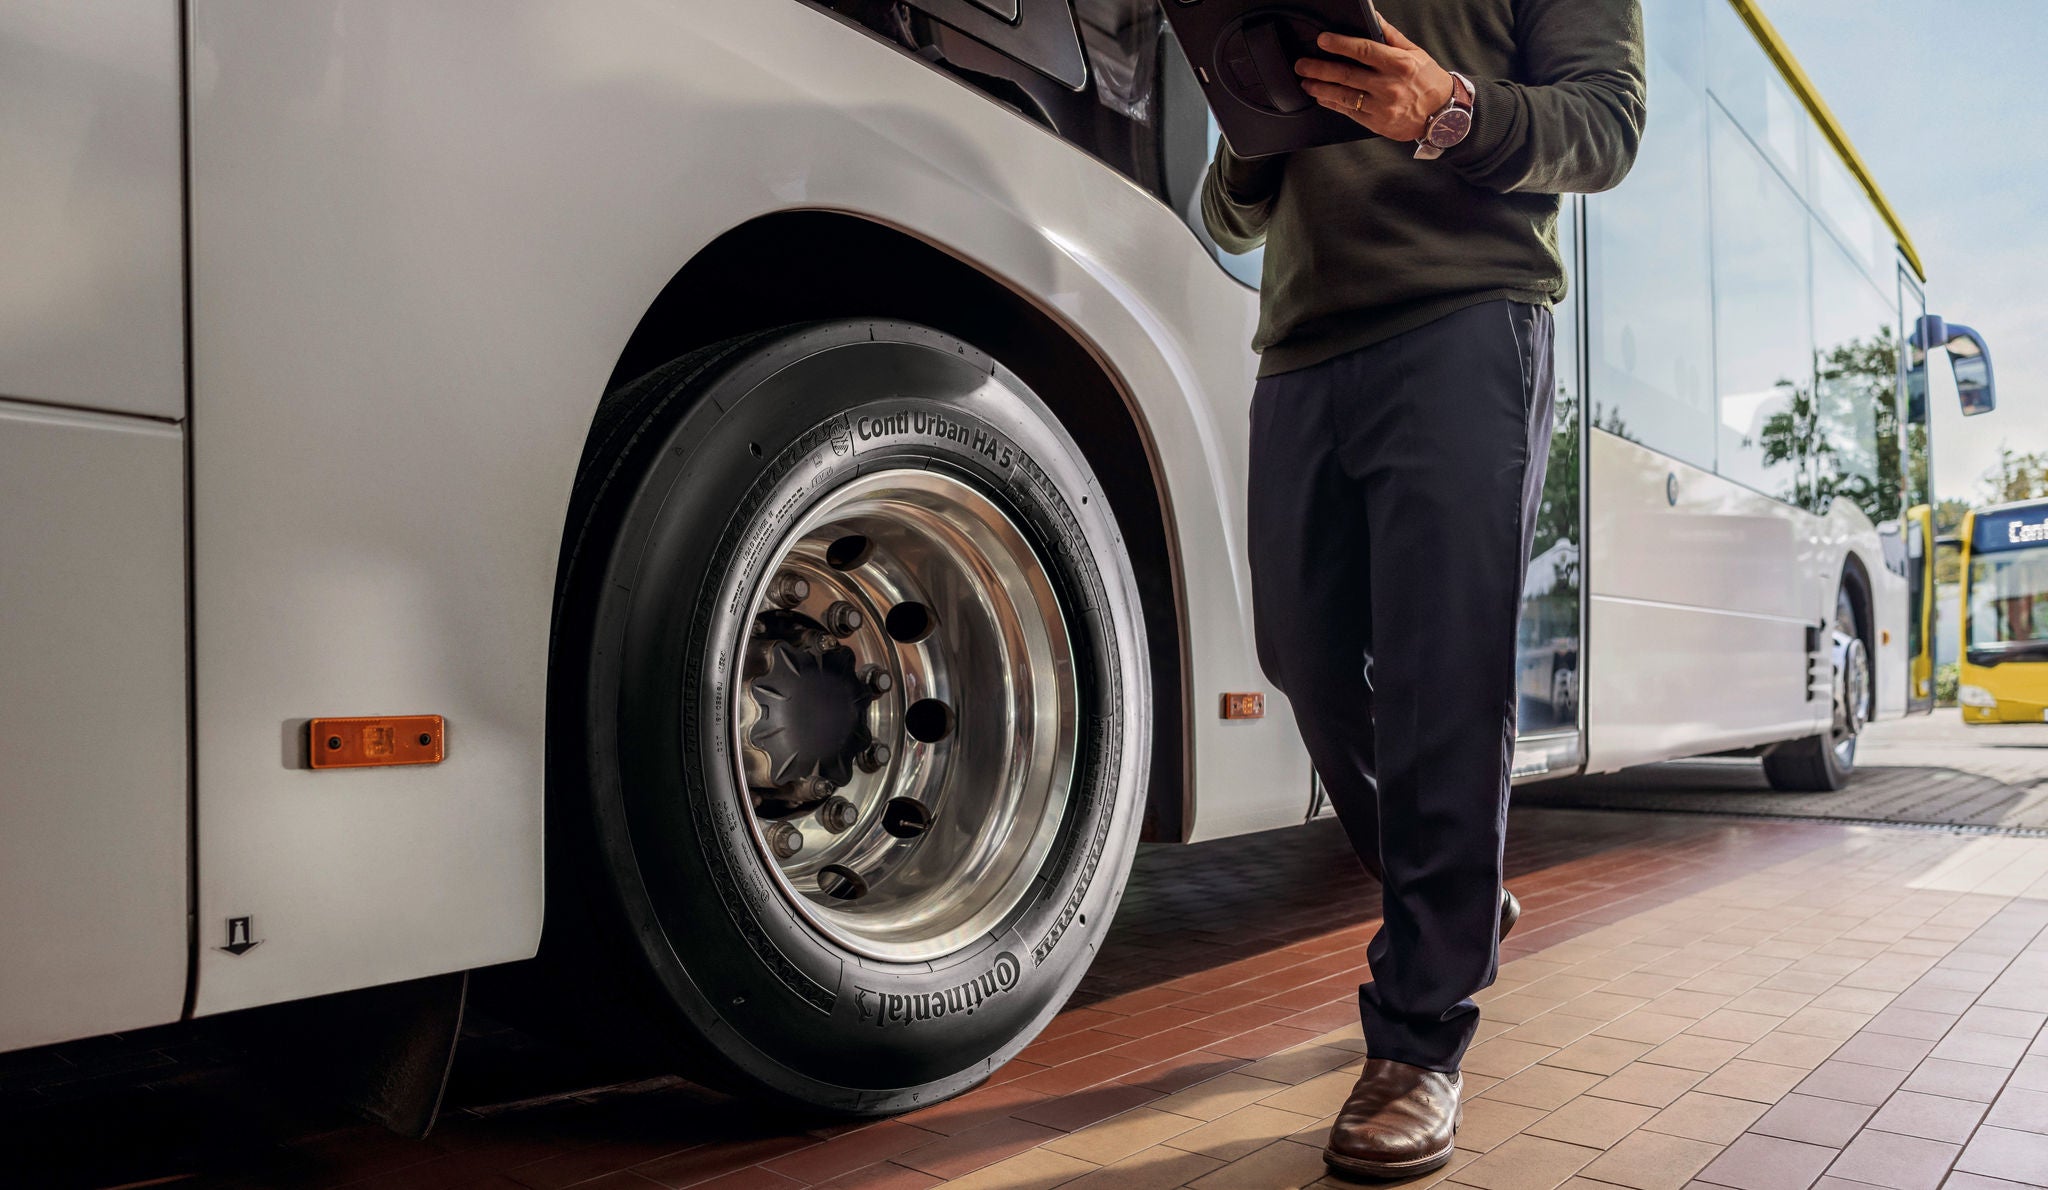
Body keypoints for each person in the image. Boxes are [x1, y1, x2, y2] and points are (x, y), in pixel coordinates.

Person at [1200, 1, 1645, 1178]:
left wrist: (1447, 109)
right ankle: (1454, 897)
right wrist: (1251, 126)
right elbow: (1226, 208)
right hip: (1300, 342)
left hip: (1466, 318)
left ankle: (1417, 1037)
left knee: (1439, 672)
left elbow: (1605, 127)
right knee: (1297, 651)